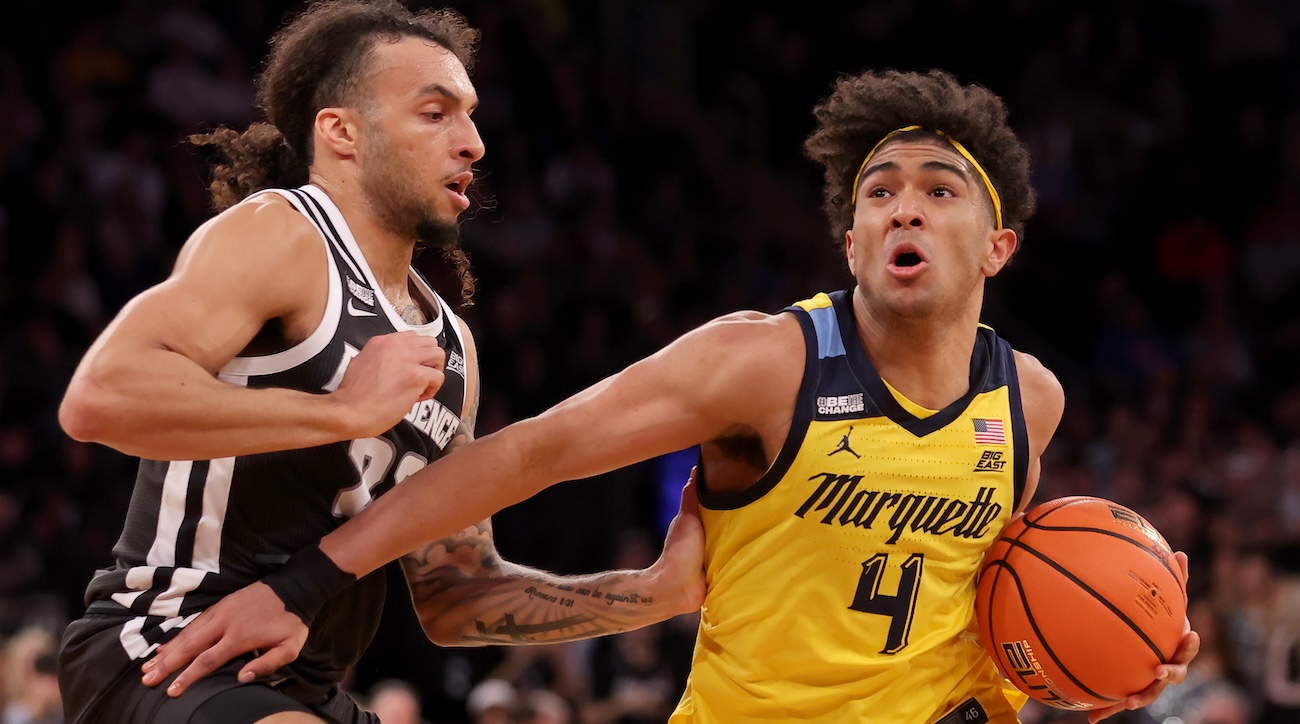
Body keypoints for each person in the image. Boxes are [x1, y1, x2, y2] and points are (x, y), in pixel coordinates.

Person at [141, 68, 1201, 722]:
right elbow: (522, 454)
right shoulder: (762, 361)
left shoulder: (1030, 398)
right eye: (878, 193)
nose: (900, 208)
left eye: (937, 191)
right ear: (850, 241)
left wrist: (1119, 649)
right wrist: (310, 582)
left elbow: (1001, 591)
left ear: (998, 246)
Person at [53, 2, 704, 723]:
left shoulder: (451, 348)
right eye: (437, 114)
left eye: (472, 116)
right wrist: (340, 412)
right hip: (169, 652)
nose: (474, 143)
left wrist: (653, 593)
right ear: (341, 132)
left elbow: (457, 596)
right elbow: (100, 397)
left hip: (297, 686)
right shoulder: (281, 233)